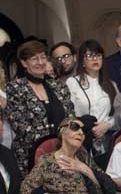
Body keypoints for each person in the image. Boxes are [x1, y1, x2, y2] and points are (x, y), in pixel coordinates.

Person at [5, 39, 75, 174]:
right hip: (31, 155)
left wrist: (64, 144)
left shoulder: (59, 86)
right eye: (34, 59)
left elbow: (70, 117)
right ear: (24, 62)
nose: (41, 62)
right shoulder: (15, 88)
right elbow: (20, 126)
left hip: (63, 153)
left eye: (43, 57)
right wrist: (49, 145)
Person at [65, 40, 117, 166]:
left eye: (98, 55)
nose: (95, 59)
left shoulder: (111, 85)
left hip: (107, 139)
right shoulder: (72, 82)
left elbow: (118, 113)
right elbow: (70, 114)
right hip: (83, 138)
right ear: (82, 61)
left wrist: (107, 125)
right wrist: (91, 128)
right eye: (89, 56)